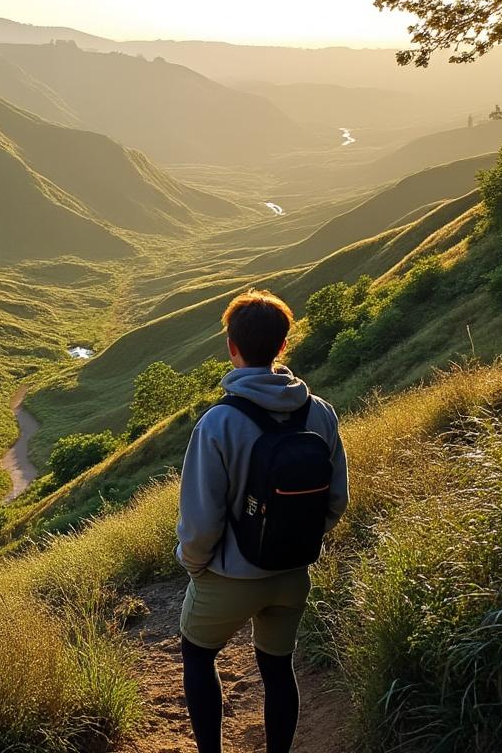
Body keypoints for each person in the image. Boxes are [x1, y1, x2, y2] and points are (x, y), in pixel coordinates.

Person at [176, 289, 349, 753]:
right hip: (292, 573)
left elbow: (200, 521)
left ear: (231, 347)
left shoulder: (218, 422)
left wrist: (195, 565)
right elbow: (337, 500)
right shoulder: (320, 412)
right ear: (283, 345)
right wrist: (296, 540)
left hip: (229, 577)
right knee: (277, 669)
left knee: (197, 655)